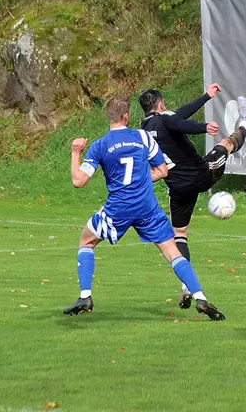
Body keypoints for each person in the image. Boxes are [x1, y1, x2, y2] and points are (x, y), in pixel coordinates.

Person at [63, 96, 225, 321]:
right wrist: (140, 181)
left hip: (118, 208)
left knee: (86, 241)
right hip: (147, 207)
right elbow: (162, 171)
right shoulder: (142, 137)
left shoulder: (101, 145)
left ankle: (85, 297)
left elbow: (78, 181)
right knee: (172, 252)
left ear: (108, 117)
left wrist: (75, 152)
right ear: (127, 116)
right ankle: (200, 296)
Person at [139, 85, 246, 309]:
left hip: (178, 188)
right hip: (202, 175)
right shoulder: (166, 118)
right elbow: (179, 122)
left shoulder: (143, 130)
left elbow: (178, 116)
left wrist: (207, 97)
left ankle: (186, 287)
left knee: (179, 235)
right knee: (225, 144)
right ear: (161, 104)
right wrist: (203, 127)